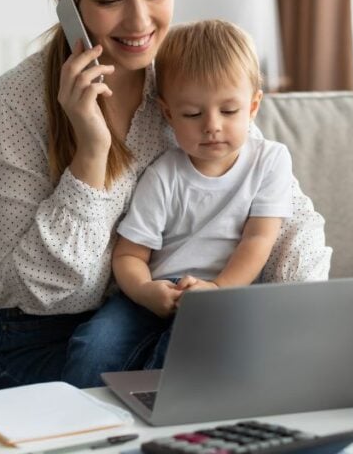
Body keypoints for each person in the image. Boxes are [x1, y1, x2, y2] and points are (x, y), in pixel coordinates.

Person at [0, 0, 331, 391]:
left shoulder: (188, 76)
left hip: (169, 319)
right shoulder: (17, 102)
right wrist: (91, 151)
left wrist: (295, 317)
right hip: (41, 341)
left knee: (253, 382)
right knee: (212, 384)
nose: (140, 22)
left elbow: (286, 213)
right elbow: (41, 291)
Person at [60, 20, 293, 388]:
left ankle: (154, 422)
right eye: (192, 114)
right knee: (94, 346)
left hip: (229, 293)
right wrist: (145, 291)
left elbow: (259, 240)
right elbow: (129, 255)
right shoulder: (163, 174)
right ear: (168, 113)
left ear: (253, 106)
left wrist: (217, 292)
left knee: (185, 350)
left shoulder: (270, 161)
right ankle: (77, 426)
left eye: (229, 111)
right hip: (159, 290)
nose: (211, 126)